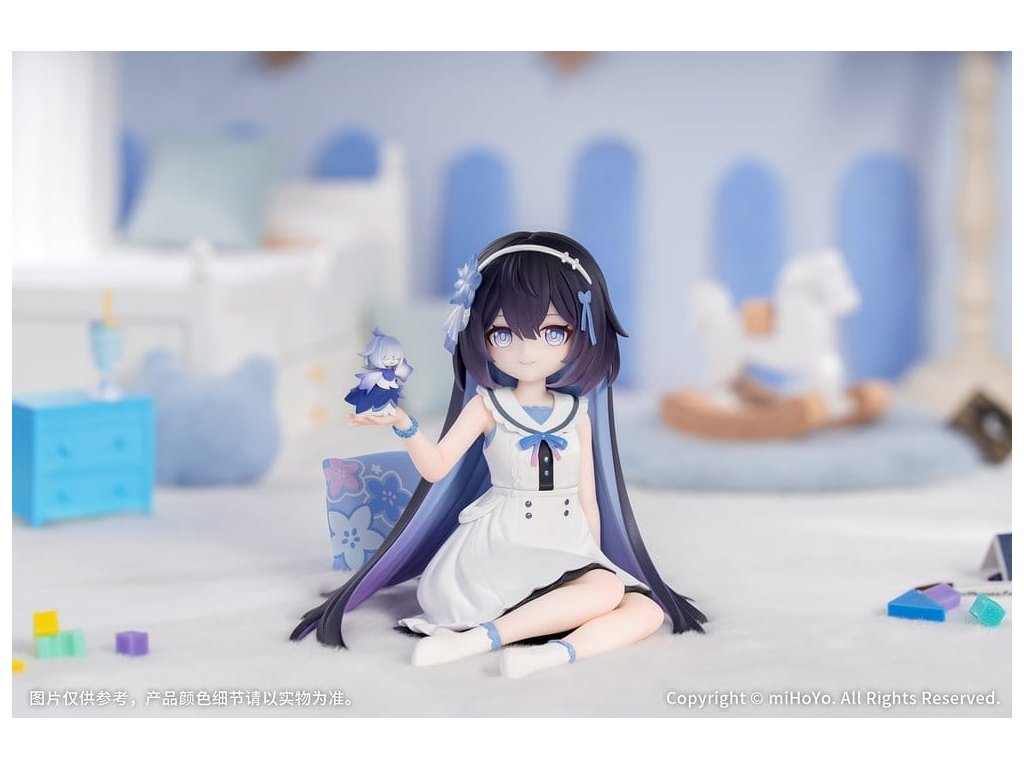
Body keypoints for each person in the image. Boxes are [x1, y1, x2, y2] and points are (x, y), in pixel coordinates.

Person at [291, 231, 706, 679]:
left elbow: (587, 500)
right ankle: (478, 638)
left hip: (564, 545)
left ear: (580, 332)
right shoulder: (488, 406)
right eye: (503, 333)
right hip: (501, 546)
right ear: (479, 334)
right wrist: (404, 423)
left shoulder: (576, 413)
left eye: (552, 332)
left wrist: (591, 555)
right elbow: (436, 467)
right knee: (605, 590)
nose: (528, 352)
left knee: (646, 609)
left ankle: (544, 654)